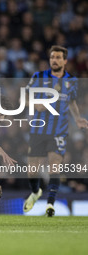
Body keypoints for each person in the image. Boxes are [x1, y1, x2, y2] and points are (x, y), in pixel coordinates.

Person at [24, 45, 88, 216]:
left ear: (65, 61)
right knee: (32, 170)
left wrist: (77, 118)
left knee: (54, 166)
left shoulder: (71, 81)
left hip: (59, 130)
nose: (55, 60)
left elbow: (72, 102)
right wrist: (34, 103)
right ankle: (35, 192)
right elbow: (25, 96)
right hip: (38, 130)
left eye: (58, 57)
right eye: (52, 57)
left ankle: (50, 204)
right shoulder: (38, 76)